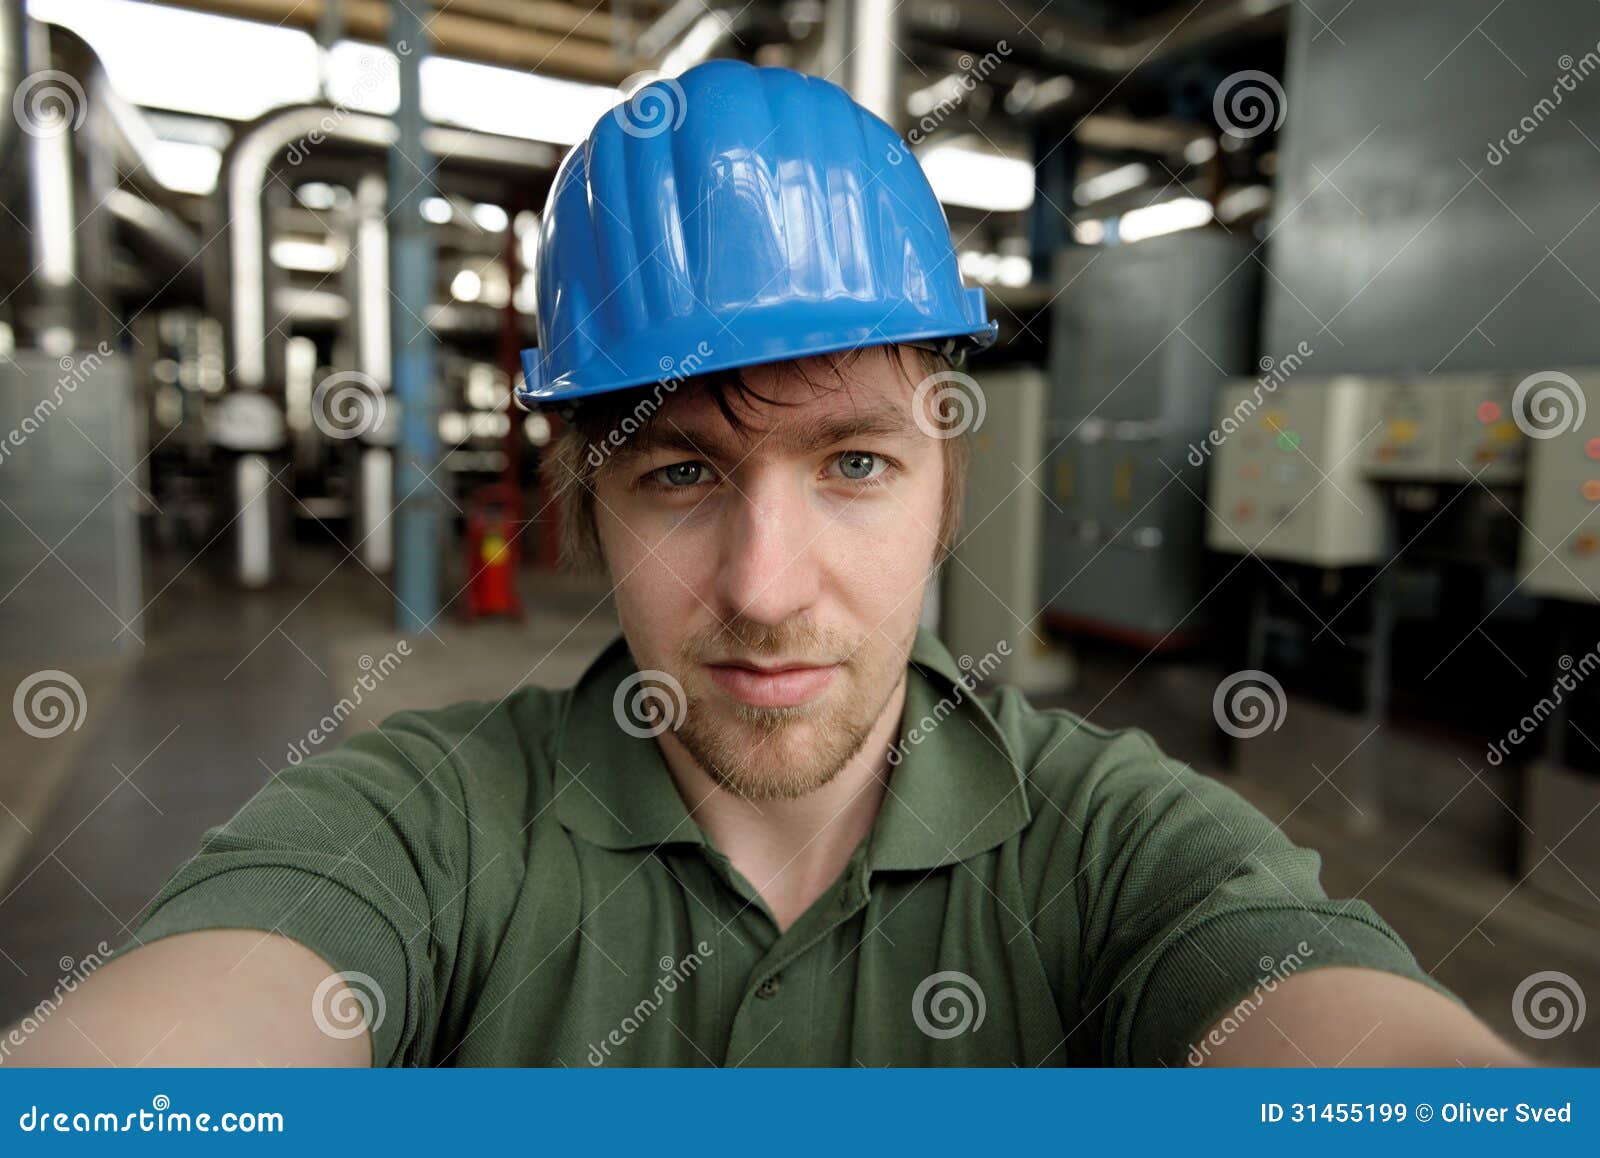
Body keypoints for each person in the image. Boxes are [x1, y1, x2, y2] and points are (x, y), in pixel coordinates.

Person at [8, 60, 1523, 1068]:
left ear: (946, 487)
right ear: (579, 499)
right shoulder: (423, 823)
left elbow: (1343, 1034)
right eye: (681, 472)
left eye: (855, 464)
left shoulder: (1113, 846)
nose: (766, 584)